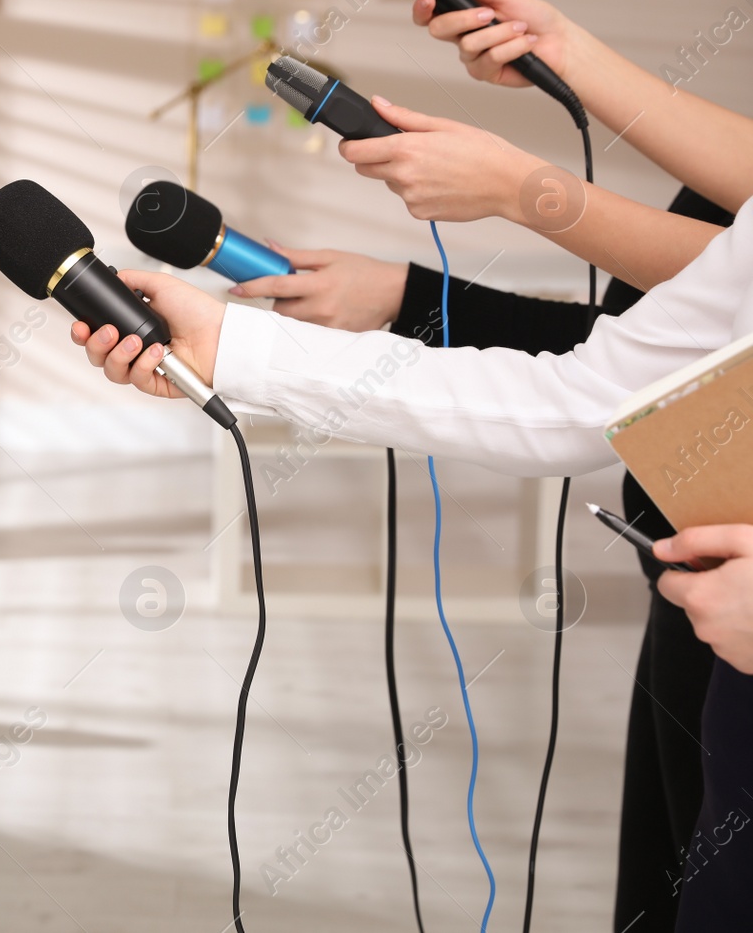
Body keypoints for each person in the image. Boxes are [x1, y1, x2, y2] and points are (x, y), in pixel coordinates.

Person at [230, 184, 730, 933]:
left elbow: (593, 394)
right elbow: (617, 365)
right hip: (696, 592)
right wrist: (406, 298)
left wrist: (512, 182)